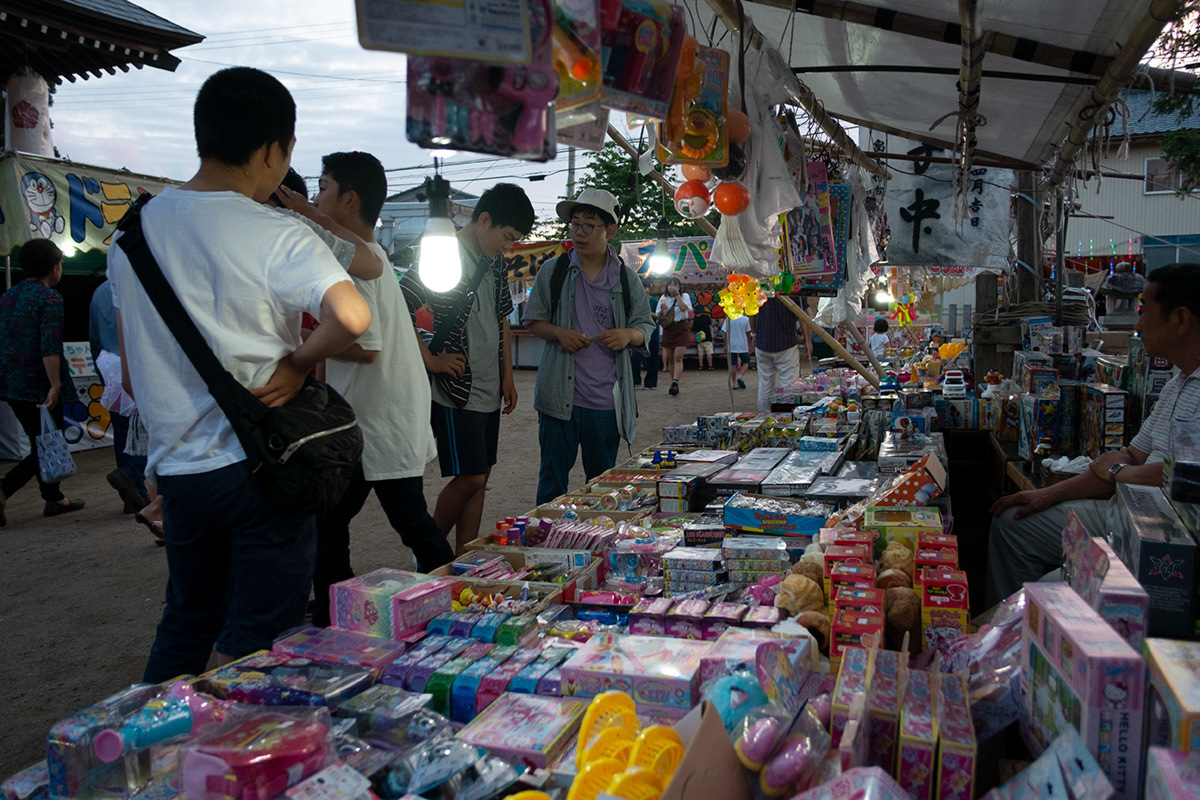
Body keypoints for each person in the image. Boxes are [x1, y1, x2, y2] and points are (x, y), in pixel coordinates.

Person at [109, 67, 371, 682]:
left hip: (180, 474)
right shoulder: (277, 230)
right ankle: (242, 738)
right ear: (273, 150)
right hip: (264, 465)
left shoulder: (132, 236)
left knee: (187, 620)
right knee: (262, 640)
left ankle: (149, 734)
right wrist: (297, 363)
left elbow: (133, 372)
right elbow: (352, 315)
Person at [985, 263, 1200, 607]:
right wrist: (1048, 494)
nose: (1138, 325)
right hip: (1119, 509)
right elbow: (1135, 455)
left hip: (1158, 537)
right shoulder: (1178, 381)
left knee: (1046, 593)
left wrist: (1117, 471)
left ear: (1180, 319)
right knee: (1012, 523)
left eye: (1144, 311)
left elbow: (1174, 477)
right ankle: (999, 626)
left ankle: (1025, 626)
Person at [308, 151, 454, 627]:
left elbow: (366, 346)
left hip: (374, 419)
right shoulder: (370, 255)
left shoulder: (357, 264)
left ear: (350, 199)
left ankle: (456, 596)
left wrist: (300, 349)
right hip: (378, 415)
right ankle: (338, 608)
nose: (316, 199)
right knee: (342, 520)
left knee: (388, 521)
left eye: (323, 189)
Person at [401, 183, 533, 553]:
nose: (507, 246)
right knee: (471, 476)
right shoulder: (442, 255)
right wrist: (431, 360)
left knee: (481, 475)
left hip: (489, 385)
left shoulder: (495, 261)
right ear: (484, 220)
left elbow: (502, 318)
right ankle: (428, 553)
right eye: (507, 237)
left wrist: (507, 376)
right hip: (457, 388)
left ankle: (465, 556)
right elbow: (400, 303)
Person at [525, 188, 654, 505]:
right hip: (559, 397)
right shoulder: (553, 271)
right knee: (552, 482)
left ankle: (597, 534)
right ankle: (547, 532)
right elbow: (534, 321)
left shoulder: (626, 279)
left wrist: (627, 335)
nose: (579, 232)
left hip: (606, 402)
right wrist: (559, 333)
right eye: (575, 224)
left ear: (610, 230)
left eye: (589, 225)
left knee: (602, 486)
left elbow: (645, 327)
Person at [0, 239, 85, 526]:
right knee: (48, 443)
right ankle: (4, 489)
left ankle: (53, 497)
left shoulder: (8, 296)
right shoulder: (49, 298)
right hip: (38, 383)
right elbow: (50, 346)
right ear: (54, 268)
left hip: (10, 382)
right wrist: (55, 385)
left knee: (42, 439)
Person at [90, 279, 148, 514]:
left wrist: (103, 375)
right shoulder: (139, 283)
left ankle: (134, 495)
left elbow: (95, 337)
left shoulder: (100, 291)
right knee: (154, 429)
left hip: (110, 367)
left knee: (123, 433)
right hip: (140, 365)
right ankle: (132, 474)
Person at [751, 295, 801, 411]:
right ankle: (787, 414)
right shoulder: (793, 290)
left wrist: (754, 334)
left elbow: (751, 313)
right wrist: (808, 341)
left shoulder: (757, 289)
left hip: (763, 341)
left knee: (765, 385)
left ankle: (764, 414)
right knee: (789, 384)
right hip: (786, 342)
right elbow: (802, 315)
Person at [658, 277, 693, 396]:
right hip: (669, 328)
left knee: (678, 357)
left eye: (675, 284)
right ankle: (673, 382)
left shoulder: (685, 296)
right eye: (670, 284)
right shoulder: (663, 298)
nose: (672, 287)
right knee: (671, 358)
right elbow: (659, 315)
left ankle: (675, 382)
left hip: (681, 327)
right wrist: (662, 311)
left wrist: (677, 295)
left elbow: (684, 308)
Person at [630, 280, 661, 390]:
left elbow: (659, 316)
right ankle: (635, 379)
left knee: (653, 356)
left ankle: (650, 382)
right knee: (635, 356)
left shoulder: (655, 301)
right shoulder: (635, 301)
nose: (644, 290)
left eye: (646, 287)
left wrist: (649, 314)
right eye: (642, 287)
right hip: (638, 330)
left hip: (653, 329)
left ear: (649, 288)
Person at [727, 312, 753, 390]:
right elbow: (748, 333)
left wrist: (725, 345)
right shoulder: (745, 319)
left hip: (732, 344)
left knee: (733, 364)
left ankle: (734, 384)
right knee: (746, 361)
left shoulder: (729, 319)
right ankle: (740, 376)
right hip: (742, 344)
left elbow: (725, 332)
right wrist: (749, 344)